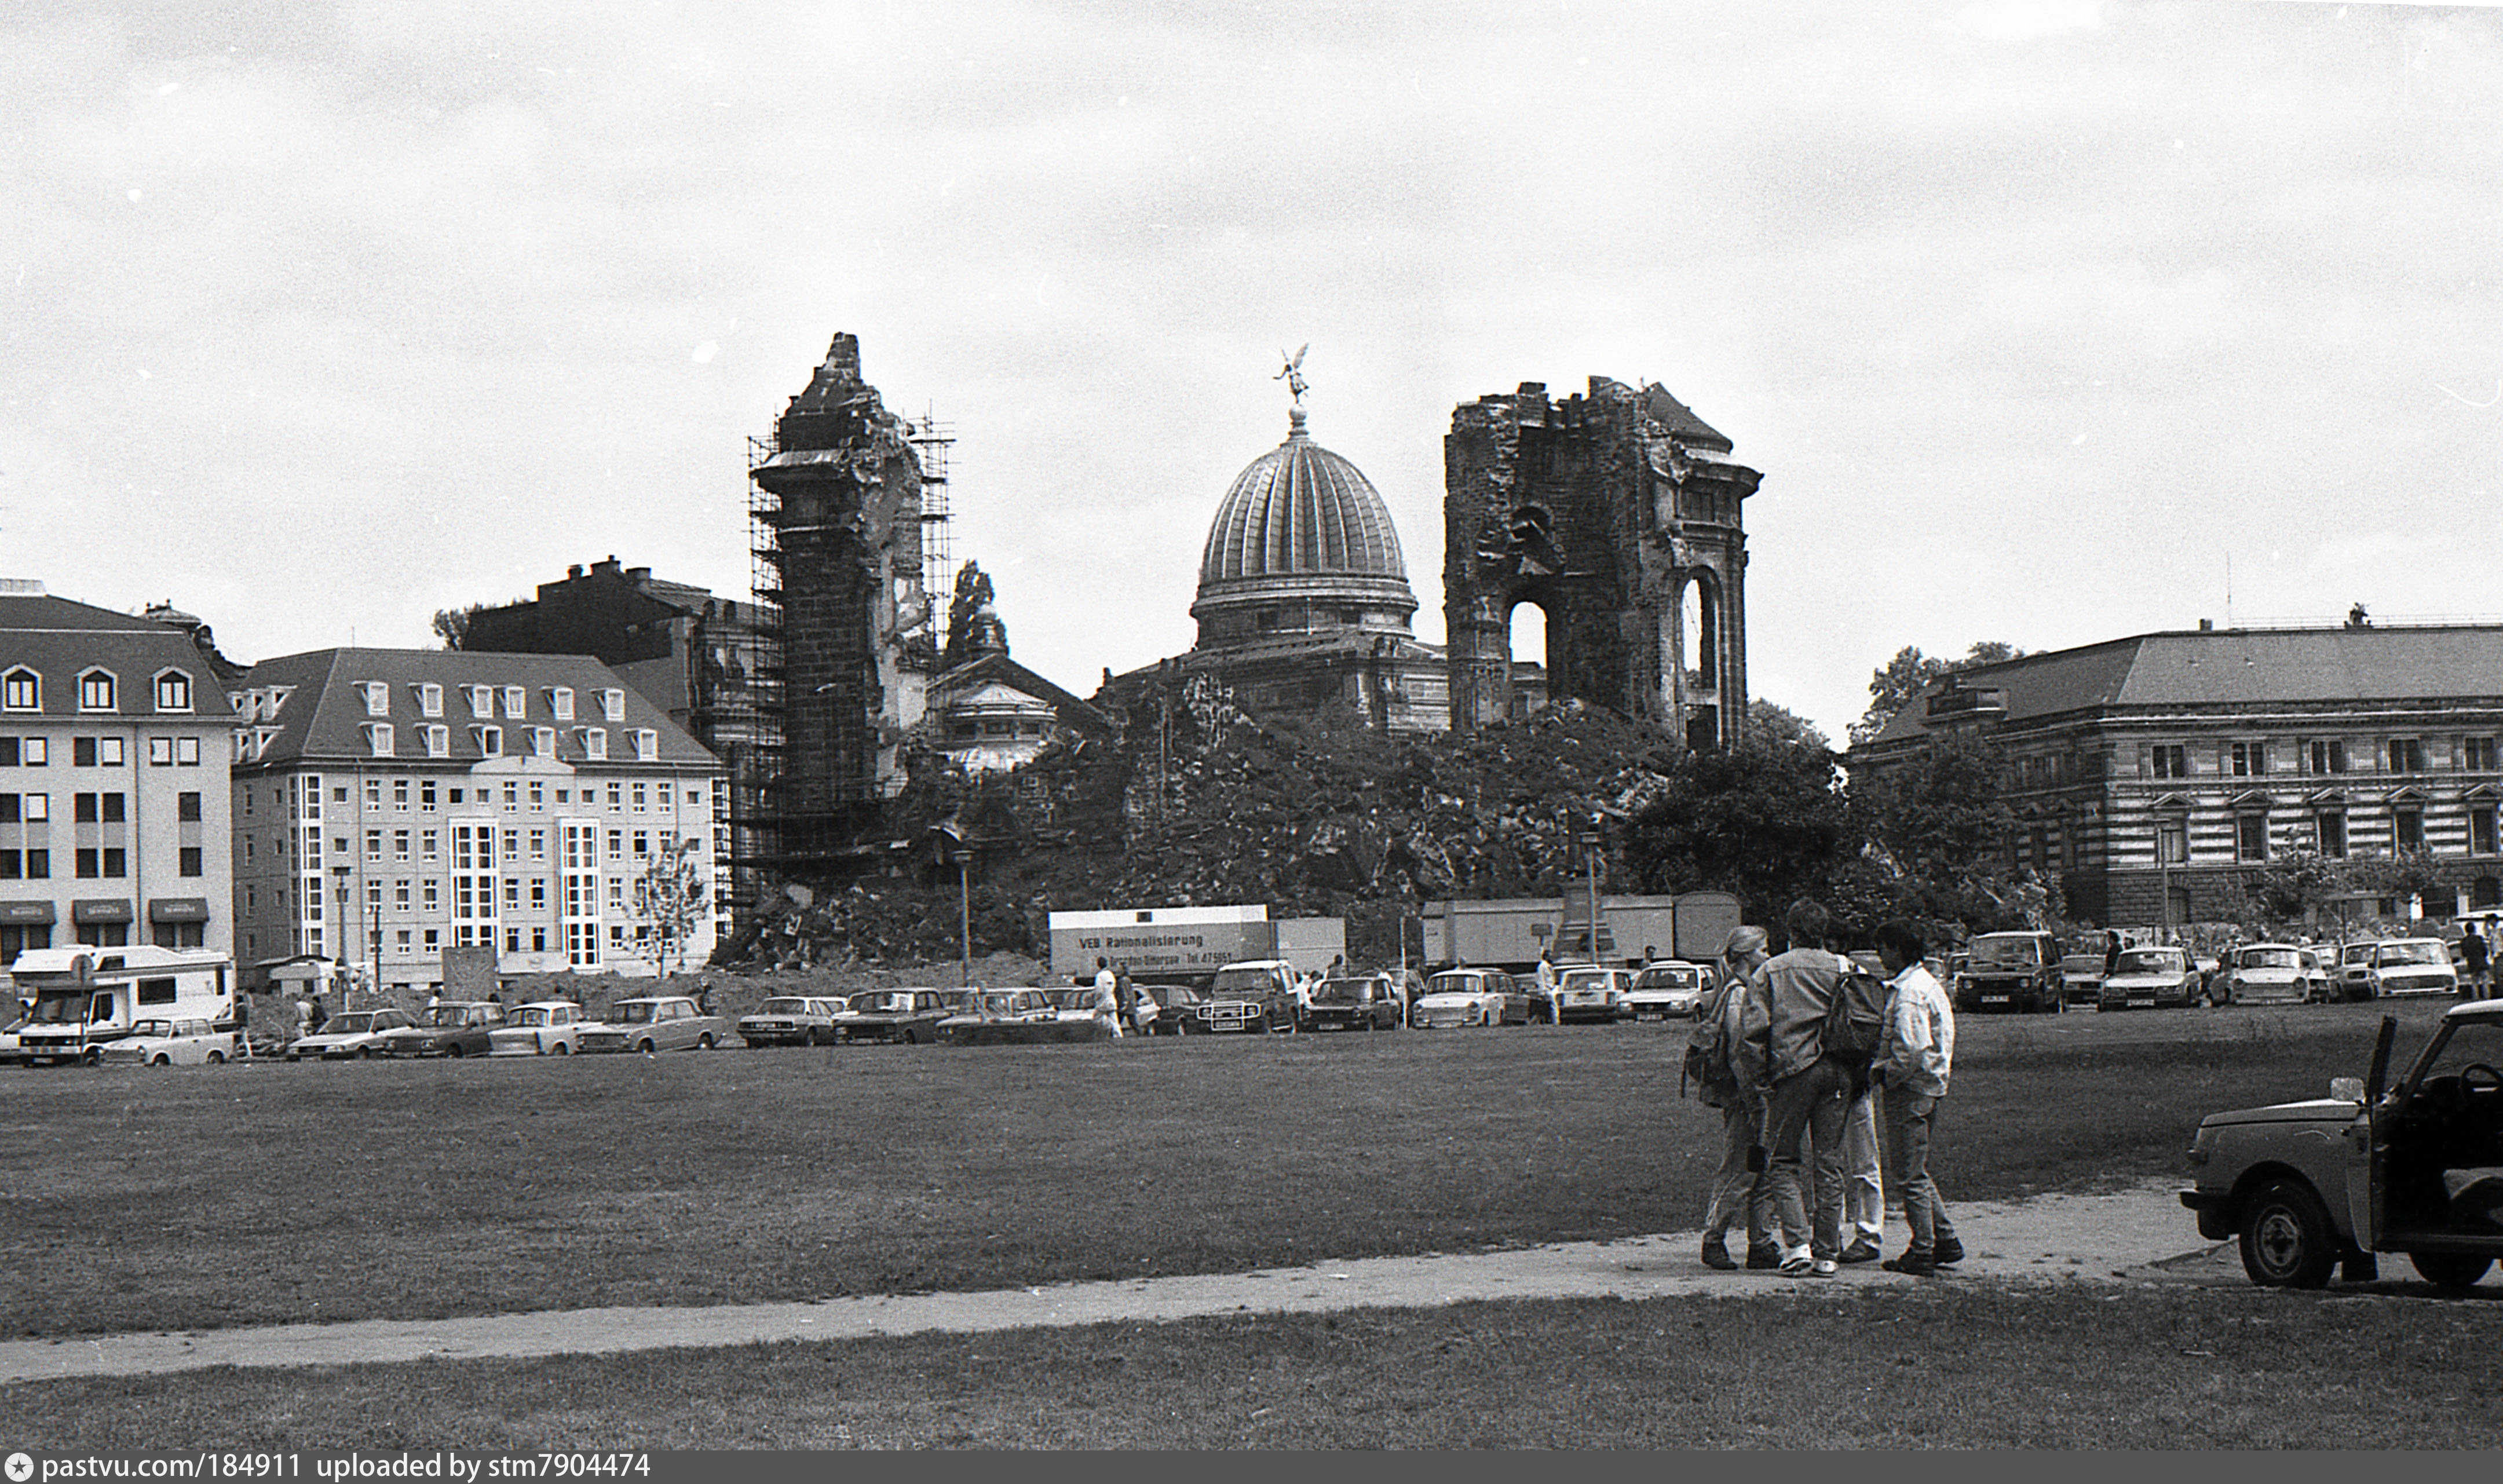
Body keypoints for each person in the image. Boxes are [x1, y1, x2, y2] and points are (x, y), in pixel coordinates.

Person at [1739, 900, 1852, 1276]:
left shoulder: (1772, 970)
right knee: (1829, 1162)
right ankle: (1828, 1251)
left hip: (1792, 1071)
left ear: (1791, 931)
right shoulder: (1843, 967)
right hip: (1838, 1071)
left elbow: (1753, 1031)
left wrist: (1760, 1076)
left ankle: (1798, 1243)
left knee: (1782, 1159)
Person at [1870, 919, 1963, 1276]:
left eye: (1883, 948)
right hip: (1930, 1086)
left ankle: (1923, 1249)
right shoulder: (1926, 983)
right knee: (1916, 1169)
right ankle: (1945, 1238)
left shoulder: (1909, 993)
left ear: (1897, 949)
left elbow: (1910, 1047)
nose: (1880, 956)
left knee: (1908, 1174)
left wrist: (1886, 1075)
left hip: (1911, 1088)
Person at [1698, 926, 1788, 1271]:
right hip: (1746, 1098)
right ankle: (1714, 1237)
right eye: (1763, 949)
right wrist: (1755, 1101)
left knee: (1759, 1166)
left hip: (1751, 1096)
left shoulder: (1741, 990)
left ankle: (1761, 1241)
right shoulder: (1738, 995)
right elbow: (1740, 1055)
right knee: (1740, 1169)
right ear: (1747, 954)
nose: (1767, 955)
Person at [1092, 957, 1123, 1038]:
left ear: (1098, 965)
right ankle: (1118, 1035)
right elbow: (1114, 986)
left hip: (1102, 1002)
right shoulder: (1111, 974)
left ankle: (1098, 1035)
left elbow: (1099, 990)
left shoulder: (1100, 976)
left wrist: (1097, 999)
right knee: (1114, 1020)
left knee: (1096, 1019)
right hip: (1111, 1000)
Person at [2461, 926, 2490, 1002]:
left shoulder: (2464, 941)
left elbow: (2464, 954)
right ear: (2474, 929)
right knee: (2485, 980)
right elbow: (2485, 951)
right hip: (2481, 962)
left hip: (2472, 963)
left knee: (2474, 982)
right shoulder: (2479, 939)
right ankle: (2486, 998)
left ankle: (2475, 998)